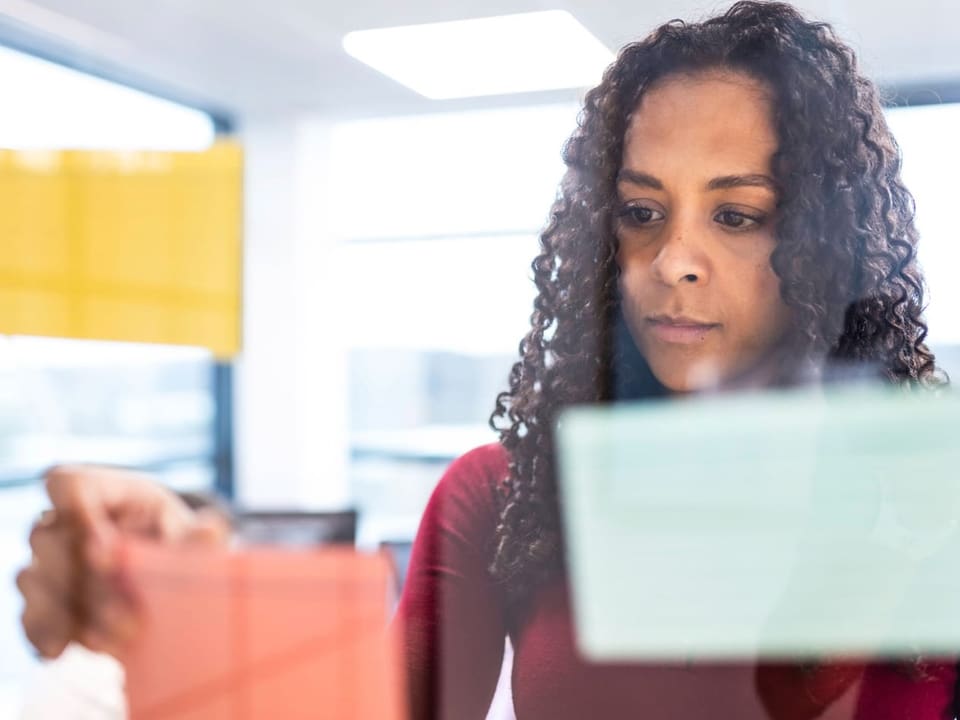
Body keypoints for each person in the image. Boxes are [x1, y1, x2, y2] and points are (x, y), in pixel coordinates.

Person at [16, 1, 953, 718]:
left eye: (737, 215)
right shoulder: (504, 496)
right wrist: (198, 605)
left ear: (831, 247)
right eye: (641, 212)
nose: (675, 259)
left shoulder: (926, 503)